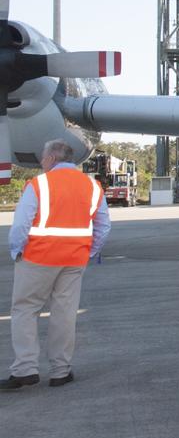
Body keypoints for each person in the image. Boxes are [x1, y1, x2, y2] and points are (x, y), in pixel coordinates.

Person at [4, 140, 111, 391]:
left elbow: (21, 225)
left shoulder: (40, 184)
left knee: (25, 310)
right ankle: (60, 371)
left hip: (38, 258)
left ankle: (25, 369)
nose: (41, 162)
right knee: (64, 313)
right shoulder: (92, 186)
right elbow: (103, 226)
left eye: (43, 158)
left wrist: (17, 251)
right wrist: (89, 252)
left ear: (52, 158)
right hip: (74, 260)